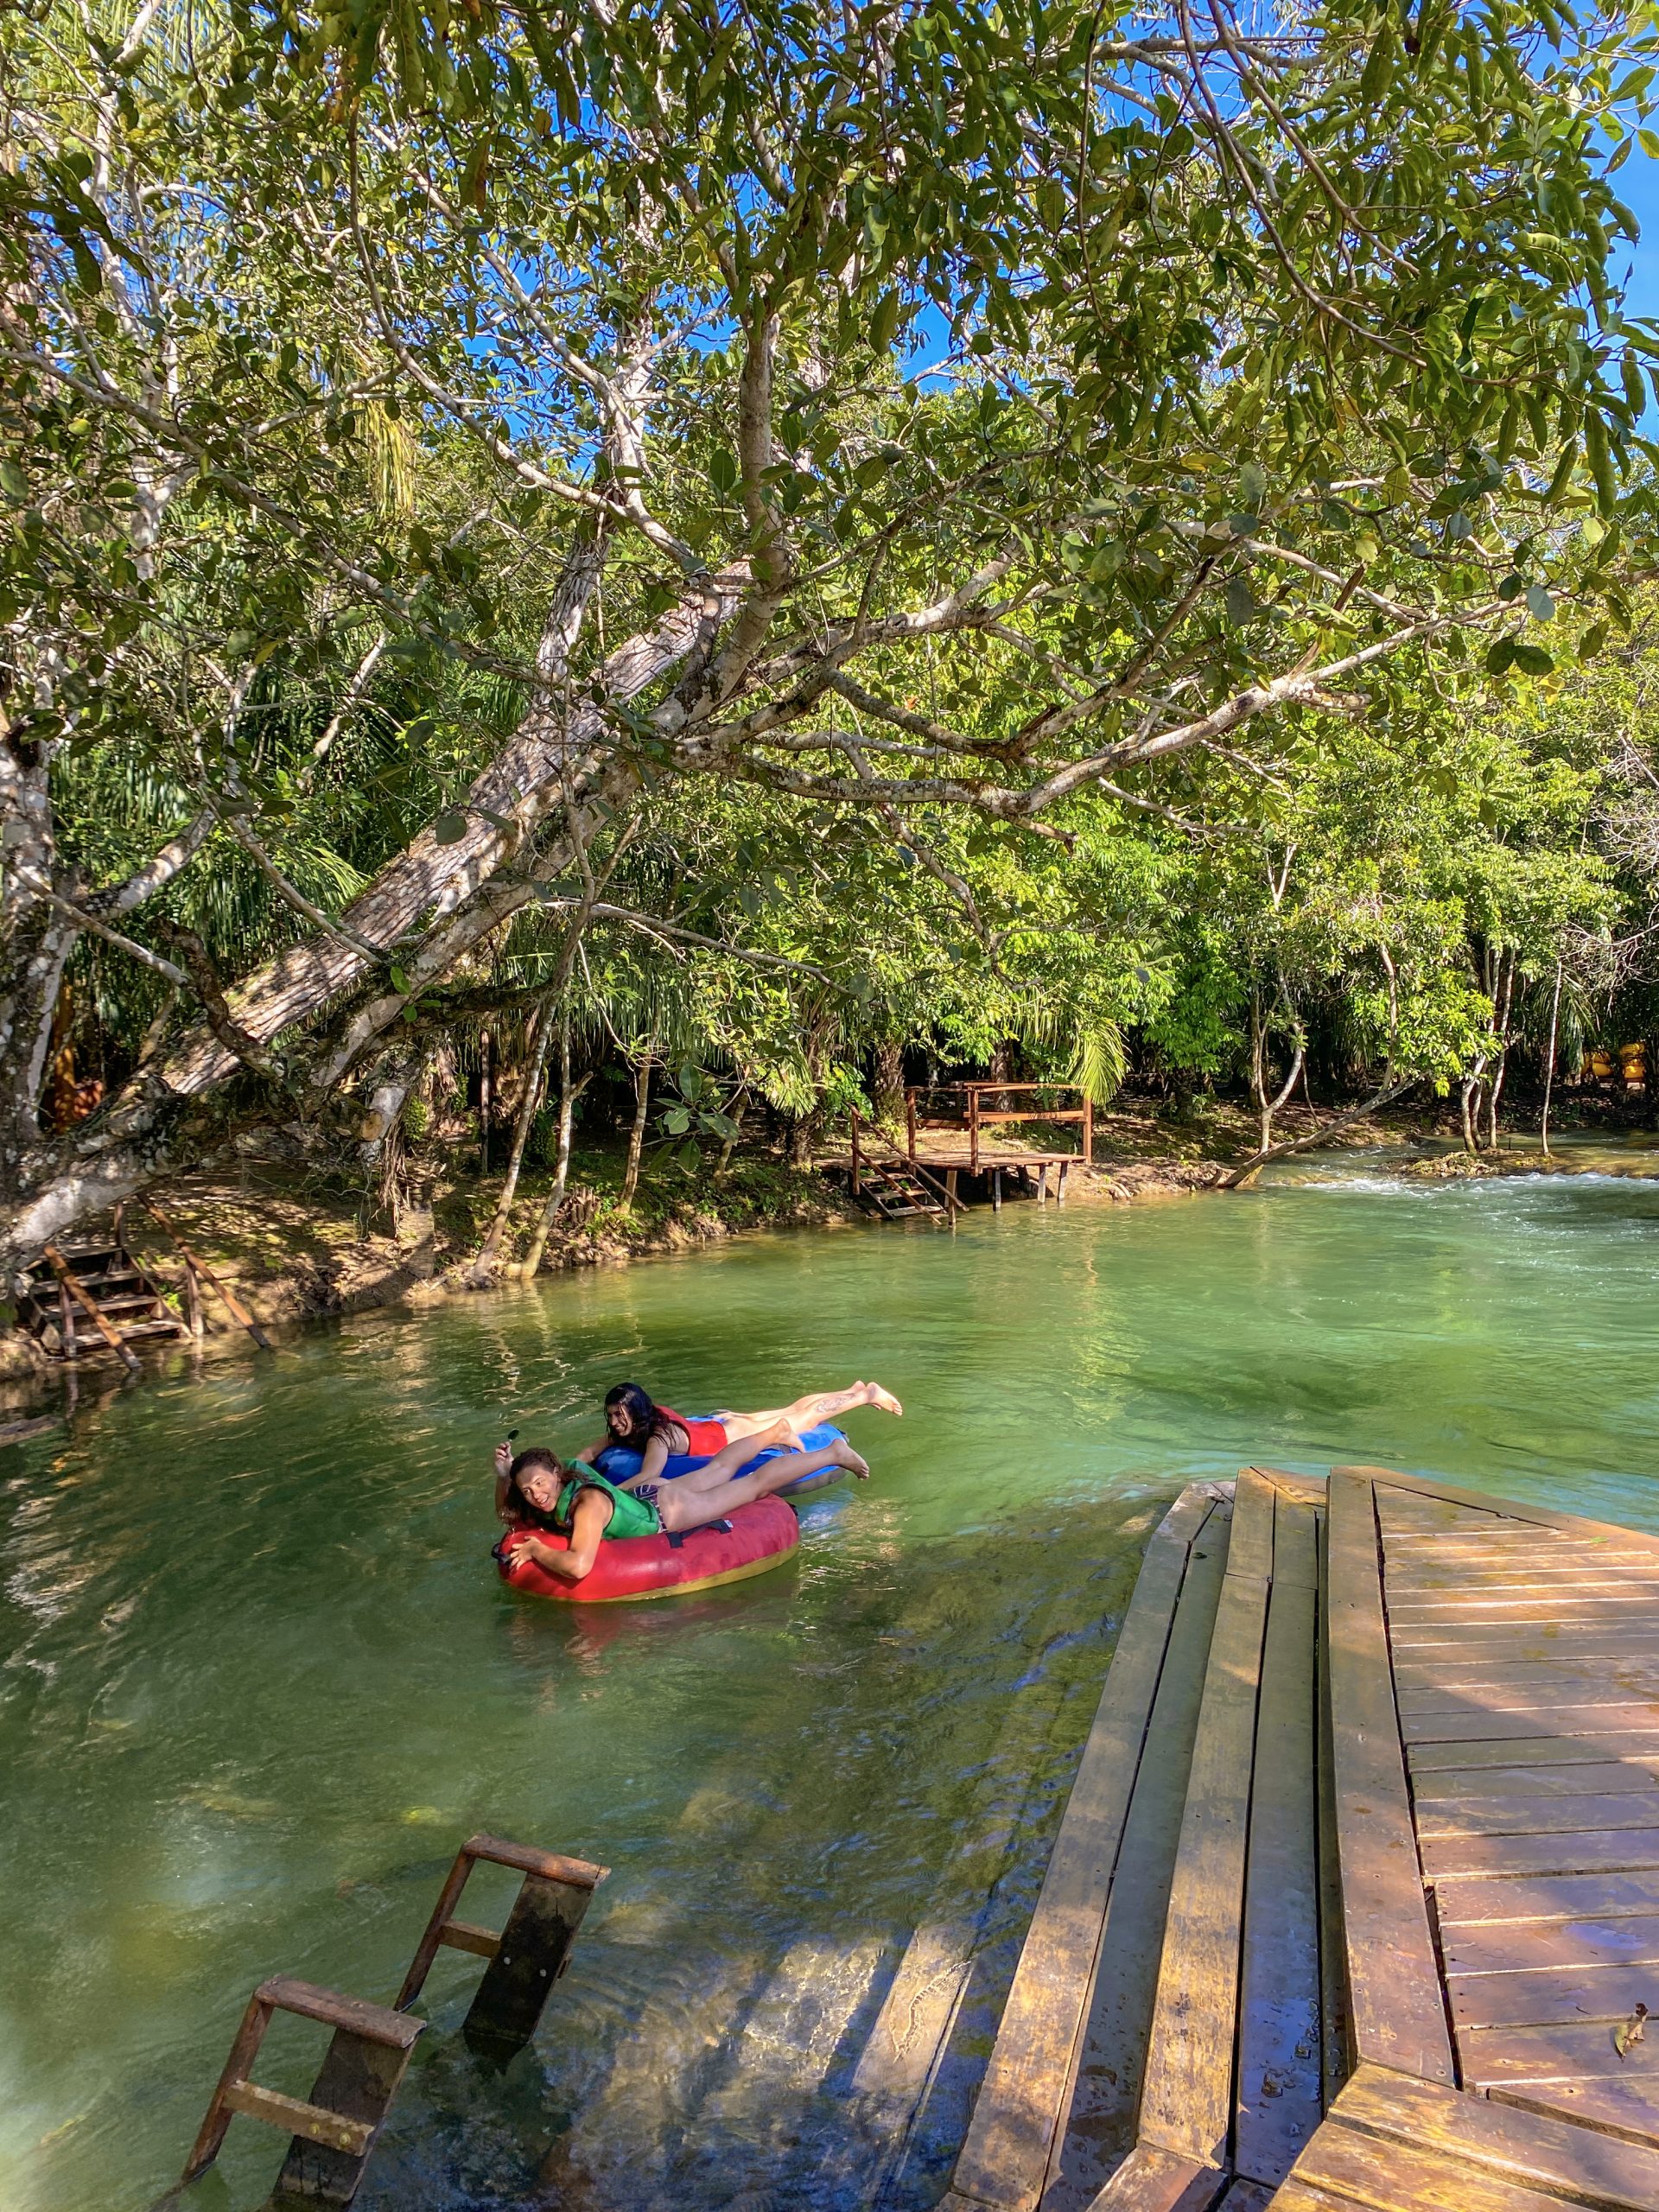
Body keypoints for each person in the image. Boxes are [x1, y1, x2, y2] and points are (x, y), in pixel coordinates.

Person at [493, 1421, 869, 1586]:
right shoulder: (567, 1475)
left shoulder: (586, 1505)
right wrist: (504, 1476)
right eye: (527, 1489)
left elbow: (578, 1566)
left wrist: (539, 1552)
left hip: (668, 1512)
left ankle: (832, 1453)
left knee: (754, 1485)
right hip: (651, 1494)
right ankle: (775, 1432)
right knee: (722, 1466)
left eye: (540, 1483)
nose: (535, 1494)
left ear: (557, 1476)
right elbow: (506, 1514)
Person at [585, 1378, 903, 1485]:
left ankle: (865, 1395)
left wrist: (610, 1492)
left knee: (803, 1419)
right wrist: (569, 1471)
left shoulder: (657, 1436)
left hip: (730, 1435)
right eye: (611, 1415)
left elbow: (648, 1476)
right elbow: (591, 1452)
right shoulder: (630, 1426)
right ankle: (852, 1389)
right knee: (792, 1409)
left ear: (635, 1413)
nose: (613, 1422)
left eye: (619, 1415)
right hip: (717, 1423)